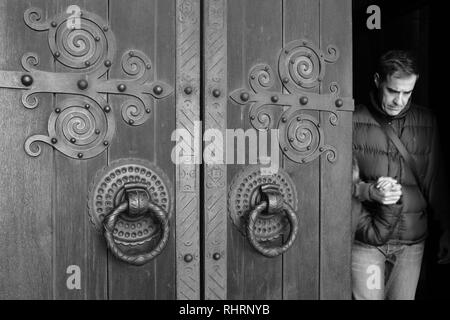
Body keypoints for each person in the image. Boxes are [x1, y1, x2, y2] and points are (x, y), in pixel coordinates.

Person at [351, 50, 450, 300]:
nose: (400, 100)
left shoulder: (427, 121)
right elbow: (337, 183)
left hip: (412, 243)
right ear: (377, 80)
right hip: (366, 241)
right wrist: (369, 191)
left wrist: (446, 230)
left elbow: (435, 180)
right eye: (393, 91)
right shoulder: (352, 120)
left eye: (408, 93)